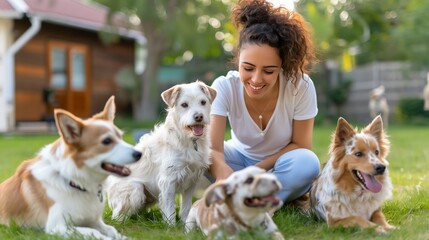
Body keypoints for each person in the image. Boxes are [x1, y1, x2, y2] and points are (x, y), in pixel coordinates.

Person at [209, 0, 320, 204]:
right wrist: (223, 172)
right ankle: (267, 196)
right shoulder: (224, 87)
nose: (256, 79)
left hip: (281, 164)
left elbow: (301, 145)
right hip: (238, 161)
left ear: (282, 66)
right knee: (197, 156)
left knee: (307, 163)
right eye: (248, 68)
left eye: (269, 71)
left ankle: (249, 199)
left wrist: (256, 170)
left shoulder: (300, 86)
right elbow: (214, 150)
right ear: (238, 60)